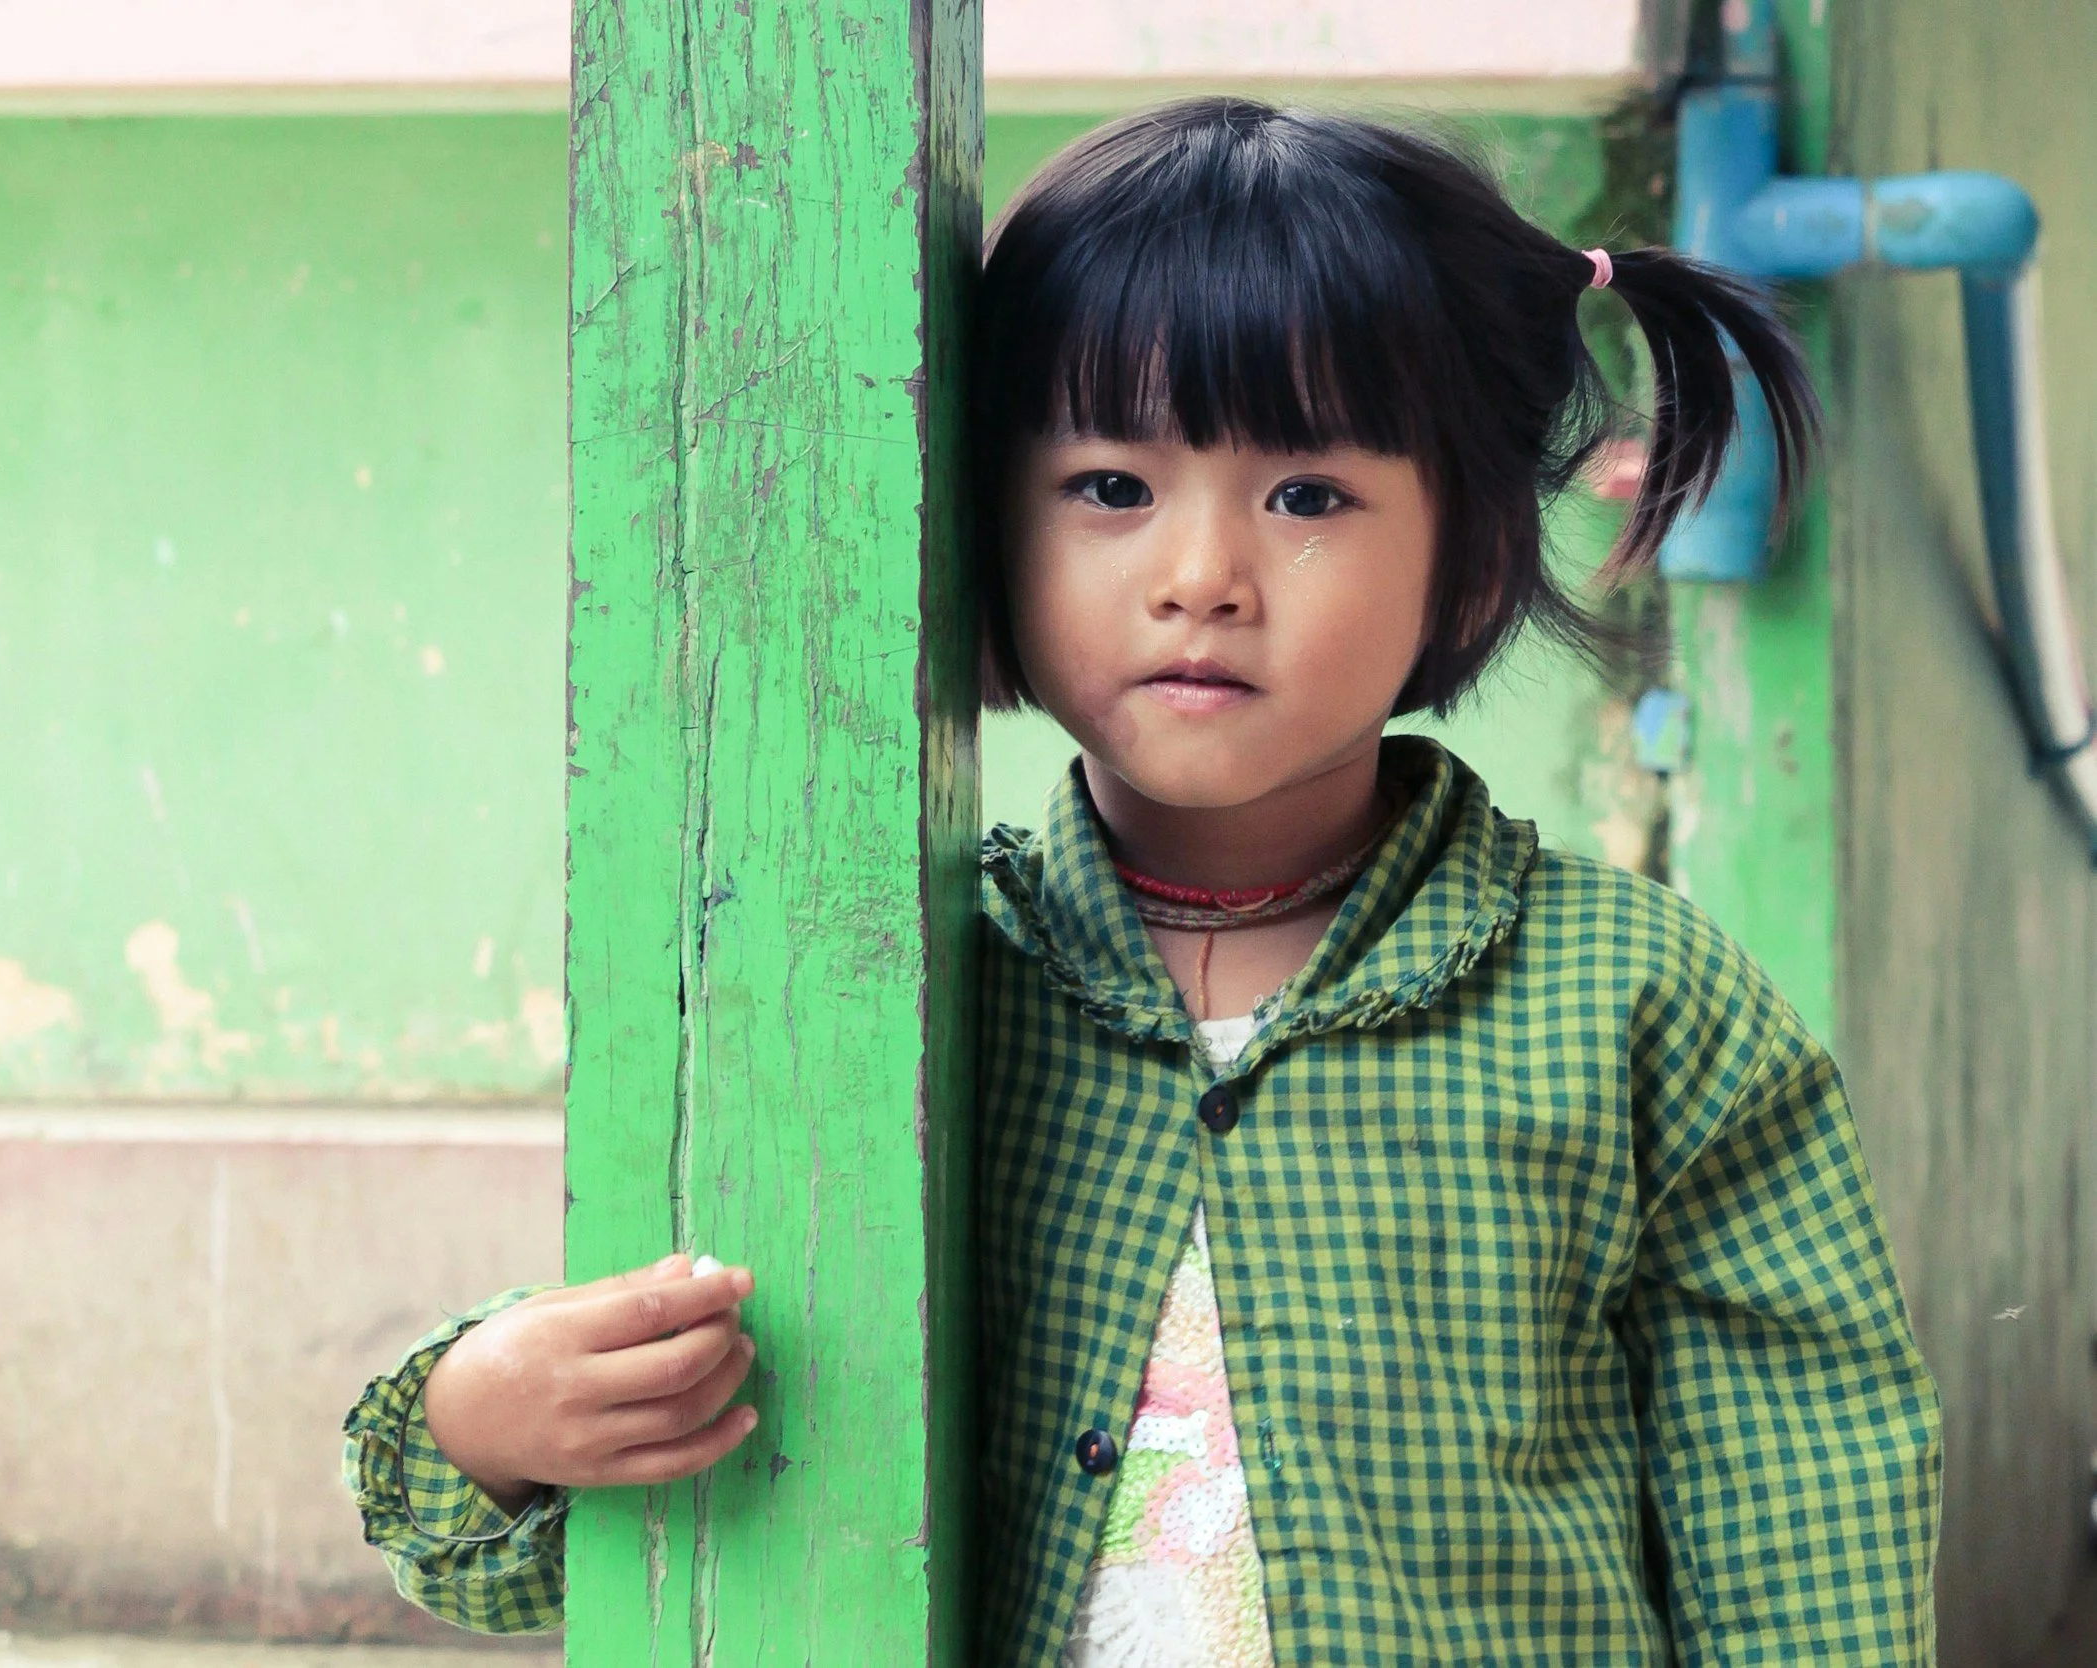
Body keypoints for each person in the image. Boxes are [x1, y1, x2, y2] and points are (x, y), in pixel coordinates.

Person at [343, 99, 1942, 1664]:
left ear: (1466, 557)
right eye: (1110, 487)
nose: (1199, 577)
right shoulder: (896, 985)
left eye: (1309, 495)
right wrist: (486, 1417)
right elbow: (593, 1509)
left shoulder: (1639, 1002)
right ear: (981, 528)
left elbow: (1808, 1499)